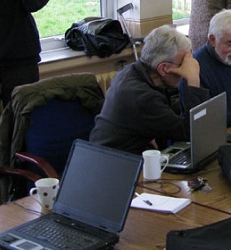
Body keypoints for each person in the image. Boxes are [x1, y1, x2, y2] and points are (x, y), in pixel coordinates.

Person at [89, 25, 209, 155]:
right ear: (163, 68)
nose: (189, 67)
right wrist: (193, 81)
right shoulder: (142, 97)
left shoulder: (132, 71)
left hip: (120, 154)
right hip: (114, 162)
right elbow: (191, 133)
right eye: (183, 64)